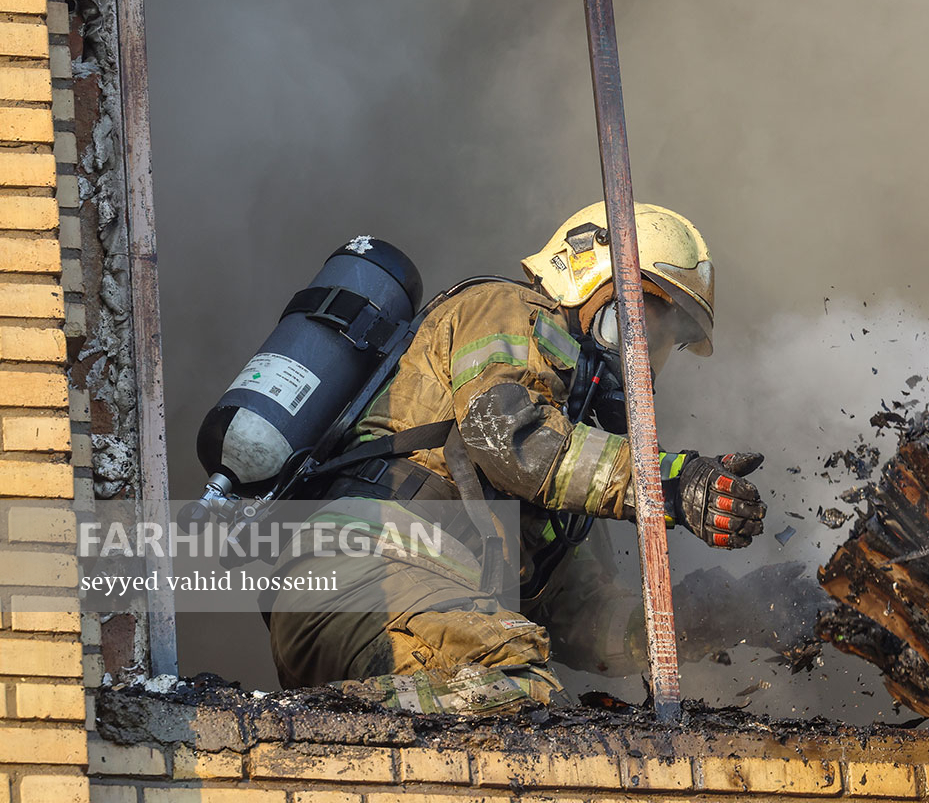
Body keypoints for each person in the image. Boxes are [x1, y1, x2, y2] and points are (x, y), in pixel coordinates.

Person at [265, 202, 773, 713]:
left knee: (554, 713)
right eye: (646, 322)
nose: (648, 352)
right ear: (589, 277)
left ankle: (327, 727)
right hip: (360, 578)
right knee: (521, 692)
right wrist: (668, 482)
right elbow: (508, 437)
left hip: (413, 613)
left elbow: (585, 620)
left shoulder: (573, 464)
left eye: (667, 341)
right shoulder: (508, 310)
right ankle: (300, 722)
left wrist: (719, 613)